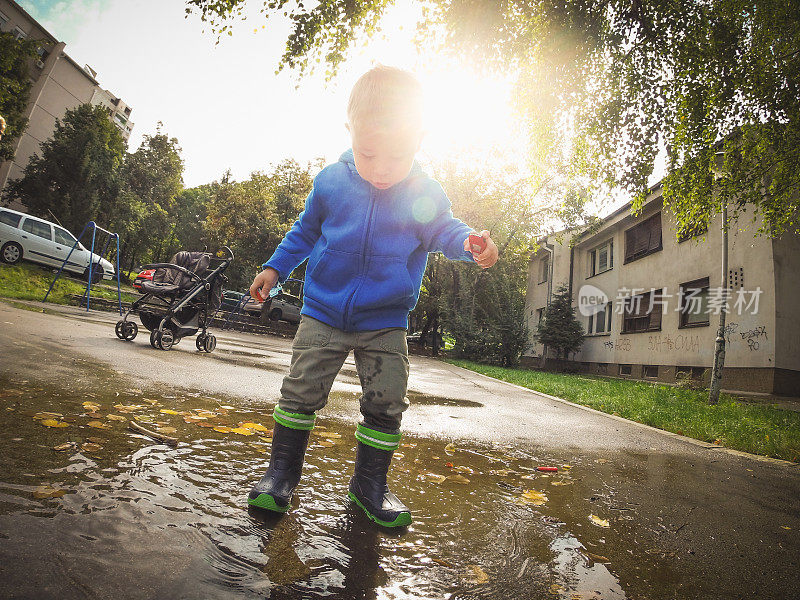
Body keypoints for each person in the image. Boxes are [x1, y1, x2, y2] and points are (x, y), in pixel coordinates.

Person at [247, 65, 499, 527]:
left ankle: (369, 486)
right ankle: (280, 475)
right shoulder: (331, 182)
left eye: (397, 156)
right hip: (324, 312)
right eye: (368, 154)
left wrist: (468, 244)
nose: (382, 168)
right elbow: (305, 232)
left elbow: (444, 229)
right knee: (300, 390)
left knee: (387, 400)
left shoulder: (423, 192)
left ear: (419, 139)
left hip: (385, 319)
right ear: (350, 132)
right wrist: (274, 268)